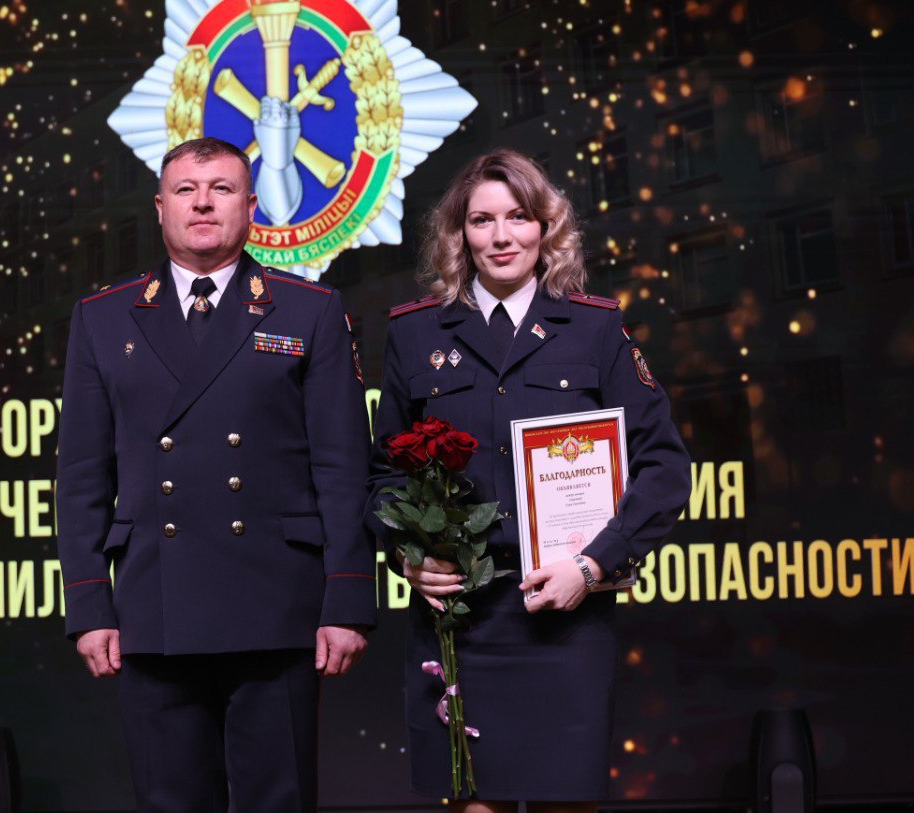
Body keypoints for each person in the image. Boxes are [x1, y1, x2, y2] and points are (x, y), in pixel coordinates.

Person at [365, 148, 691, 812]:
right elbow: (381, 477)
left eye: (518, 216)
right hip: (457, 618)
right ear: (459, 234)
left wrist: (594, 566)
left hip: (566, 617)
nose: (501, 236)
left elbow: (664, 468)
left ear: (546, 226)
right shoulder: (415, 332)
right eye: (481, 220)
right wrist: (408, 555)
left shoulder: (595, 328)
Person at [56, 137, 375, 812]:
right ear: (161, 207)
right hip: (153, 607)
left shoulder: (309, 309)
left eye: (222, 189)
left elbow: (342, 468)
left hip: (277, 604)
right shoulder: (102, 317)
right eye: (186, 190)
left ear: (251, 207)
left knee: (279, 801)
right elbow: (82, 476)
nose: (203, 203)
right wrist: (88, 605)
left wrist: (347, 600)